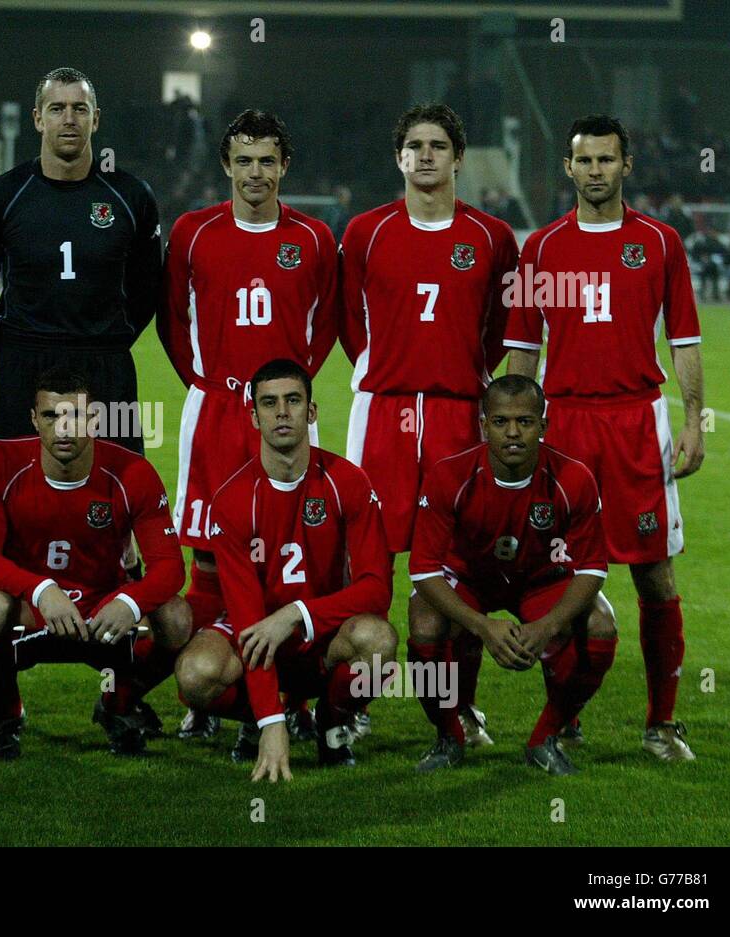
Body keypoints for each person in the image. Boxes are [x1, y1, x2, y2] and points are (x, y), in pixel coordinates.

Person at [504, 114, 704, 761]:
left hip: (637, 423)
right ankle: (563, 716)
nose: (595, 170)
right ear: (568, 168)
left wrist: (696, 420)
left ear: (627, 165)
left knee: (654, 575)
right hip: (563, 429)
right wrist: (511, 433)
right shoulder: (541, 248)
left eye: (606, 159)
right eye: (584, 160)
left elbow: (684, 340)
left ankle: (661, 722)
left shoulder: (660, 241)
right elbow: (522, 348)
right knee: (558, 578)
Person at [338, 103, 519, 746]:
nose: (424, 155)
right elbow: (347, 320)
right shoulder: (364, 232)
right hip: (383, 413)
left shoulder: (494, 237)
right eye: (413, 145)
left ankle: (460, 707)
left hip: (456, 416)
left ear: (457, 157)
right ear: (398, 157)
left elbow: (503, 329)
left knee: (455, 565)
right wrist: (384, 368)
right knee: (369, 564)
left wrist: (461, 373)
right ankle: (353, 703)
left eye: (437, 145)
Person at [159, 109, 338, 742]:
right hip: (214, 412)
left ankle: (292, 693)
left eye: (267, 160)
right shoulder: (192, 232)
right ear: (226, 165)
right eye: (244, 159)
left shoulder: (314, 238)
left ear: (284, 165)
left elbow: (327, 324)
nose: (255, 172)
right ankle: (211, 694)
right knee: (208, 553)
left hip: (284, 414)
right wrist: (212, 386)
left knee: (296, 553)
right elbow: (173, 323)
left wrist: (283, 396)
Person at [174, 359, 396, 781]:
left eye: (293, 401)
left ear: (311, 412)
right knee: (195, 673)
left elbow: (376, 590)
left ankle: (332, 722)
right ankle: (259, 719)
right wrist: (270, 725)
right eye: (269, 403)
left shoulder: (348, 482)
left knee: (378, 641)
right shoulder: (233, 499)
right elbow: (247, 621)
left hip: (321, 634)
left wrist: (296, 614)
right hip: (259, 636)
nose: (282, 412)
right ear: (253, 415)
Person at [0, 366, 189, 758]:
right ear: (34, 419)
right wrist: (42, 589)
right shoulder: (0, 461)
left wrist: (130, 601)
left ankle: (117, 703)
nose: (64, 429)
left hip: (104, 609)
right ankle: (6, 710)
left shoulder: (132, 472)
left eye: (76, 417)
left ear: (96, 419)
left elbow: (170, 568)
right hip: (32, 609)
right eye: (51, 416)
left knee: (177, 617)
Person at [408, 376, 616, 775]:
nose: (513, 433)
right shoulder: (449, 476)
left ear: (544, 425)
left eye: (525, 421)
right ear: (484, 425)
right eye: (501, 422)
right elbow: (423, 570)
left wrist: (548, 625)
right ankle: (449, 736)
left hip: (539, 580)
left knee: (601, 625)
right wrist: (482, 626)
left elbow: (592, 568)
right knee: (425, 623)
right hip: (469, 580)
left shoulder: (574, 478)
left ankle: (545, 737)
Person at [0, 67, 162, 454]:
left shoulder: (131, 196)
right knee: (8, 484)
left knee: (118, 486)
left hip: (106, 366)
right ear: (37, 118)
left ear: (95, 119)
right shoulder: (3, 195)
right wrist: (9, 345)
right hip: (22, 366)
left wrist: (108, 340)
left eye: (80, 109)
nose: (69, 119)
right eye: (56, 108)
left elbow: (148, 289)